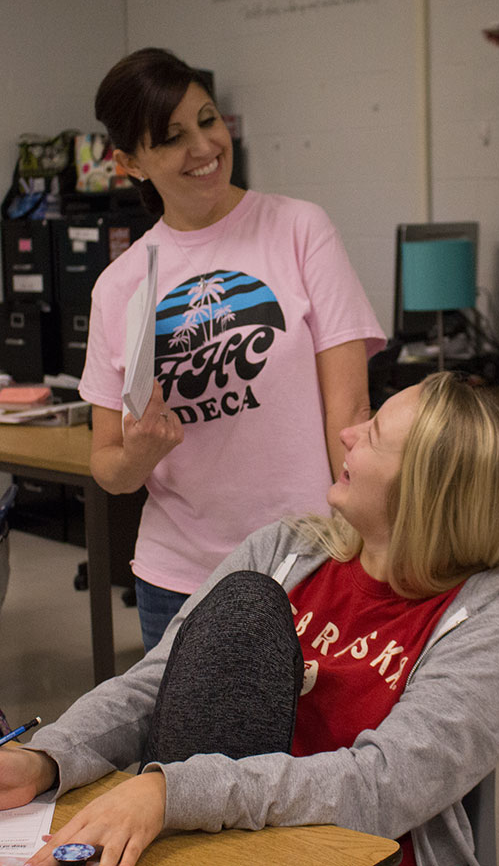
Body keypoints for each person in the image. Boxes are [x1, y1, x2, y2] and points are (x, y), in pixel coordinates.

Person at [0, 372, 499, 866]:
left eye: (373, 436)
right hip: (215, 835)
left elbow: (380, 786)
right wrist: (48, 757)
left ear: (428, 494)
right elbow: (155, 686)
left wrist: (175, 793)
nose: (348, 434)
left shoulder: (491, 621)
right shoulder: (284, 550)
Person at [79, 47, 386, 650]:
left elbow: (348, 414)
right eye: (171, 137)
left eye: (208, 120)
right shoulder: (120, 287)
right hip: (178, 583)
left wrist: (366, 546)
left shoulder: (300, 229)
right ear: (129, 163)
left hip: (307, 562)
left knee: (310, 745)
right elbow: (108, 467)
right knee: (184, 746)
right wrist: (141, 453)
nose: (203, 147)